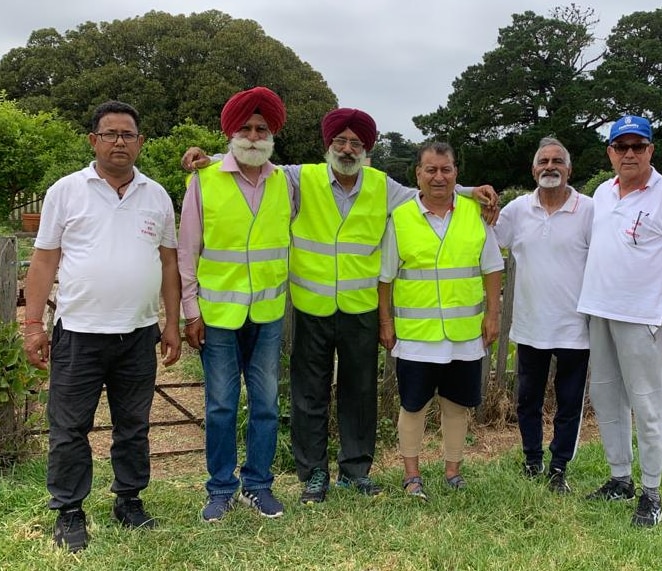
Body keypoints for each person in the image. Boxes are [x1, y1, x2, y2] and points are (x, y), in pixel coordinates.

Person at [181, 108, 497, 505]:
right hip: (312, 307)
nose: (348, 149)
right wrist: (208, 159)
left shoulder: (382, 185)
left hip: (360, 307)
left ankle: (355, 471)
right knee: (309, 393)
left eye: (357, 143)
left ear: (367, 150)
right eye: (340, 142)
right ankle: (313, 472)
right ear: (328, 145)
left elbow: (430, 191)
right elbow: (253, 161)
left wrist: (472, 192)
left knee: (360, 392)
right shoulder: (301, 177)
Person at [22, 100, 181, 552]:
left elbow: (168, 263)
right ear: (93, 141)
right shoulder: (65, 191)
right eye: (109, 134)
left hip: (138, 332)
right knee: (69, 427)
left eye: (127, 135)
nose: (118, 142)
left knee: (134, 424)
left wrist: (172, 323)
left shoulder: (157, 195)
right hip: (78, 333)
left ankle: (129, 500)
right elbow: (45, 258)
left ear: (140, 143)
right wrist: (33, 324)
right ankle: (69, 509)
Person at [577, 115, 662, 527]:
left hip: (646, 319)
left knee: (648, 407)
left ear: (651, 150)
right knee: (607, 401)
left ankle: (651, 493)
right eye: (621, 147)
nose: (629, 153)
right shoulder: (603, 192)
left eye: (638, 146)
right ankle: (619, 479)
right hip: (601, 312)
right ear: (610, 152)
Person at [177, 86, 290, 522]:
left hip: (267, 313)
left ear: (272, 133)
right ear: (231, 132)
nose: (255, 134)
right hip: (219, 314)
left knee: (265, 404)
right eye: (246, 126)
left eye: (262, 127)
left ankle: (258, 485)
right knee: (221, 405)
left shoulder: (285, 181)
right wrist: (191, 311)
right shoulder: (203, 181)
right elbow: (188, 251)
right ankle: (221, 488)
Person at [378, 142, 503, 500]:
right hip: (417, 335)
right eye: (430, 169)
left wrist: (493, 315)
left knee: (456, 405)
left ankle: (453, 471)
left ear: (455, 174)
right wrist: (385, 322)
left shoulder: (474, 213)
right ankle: (412, 474)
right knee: (413, 405)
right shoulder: (400, 218)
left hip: (464, 334)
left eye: (445, 169)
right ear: (417, 174)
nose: (438, 177)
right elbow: (385, 278)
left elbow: (492, 268)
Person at [493, 137, 593, 494]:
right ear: (533, 169)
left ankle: (559, 467)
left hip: (575, 328)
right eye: (543, 161)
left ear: (569, 169)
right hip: (530, 325)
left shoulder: (589, 210)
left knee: (568, 403)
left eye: (557, 161)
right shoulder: (517, 210)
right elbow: (490, 240)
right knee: (528, 400)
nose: (549, 167)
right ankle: (531, 461)